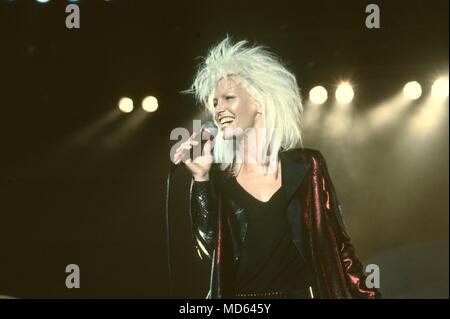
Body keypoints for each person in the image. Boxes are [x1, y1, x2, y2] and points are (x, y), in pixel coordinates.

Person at [173, 37, 380, 299]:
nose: (219, 109)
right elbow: (209, 249)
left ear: (258, 101)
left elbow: (338, 245)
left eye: (228, 98)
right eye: (214, 103)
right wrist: (200, 179)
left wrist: (368, 296)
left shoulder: (307, 167)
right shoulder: (219, 177)